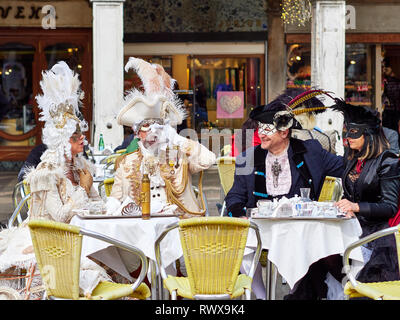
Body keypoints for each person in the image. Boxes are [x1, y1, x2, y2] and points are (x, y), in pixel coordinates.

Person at [0, 61, 110, 298]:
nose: (82, 139)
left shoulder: (80, 165)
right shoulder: (45, 172)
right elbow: (59, 217)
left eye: (81, 134)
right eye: (75, 136)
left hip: (79, 233)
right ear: (62, 140)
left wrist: (98, 203)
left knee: (112, 252)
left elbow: (97, 205)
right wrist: (84, 189)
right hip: (49, 239)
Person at [225, 90, 345, 300]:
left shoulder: (310, 151)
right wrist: (239, 214)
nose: (261, 133)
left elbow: (346, 168)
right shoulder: (248, 158)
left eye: (267, 129)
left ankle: (297, 294)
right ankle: (262, 297)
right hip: (261, 228)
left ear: (284, 132)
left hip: (298, 229)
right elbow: (234, 196)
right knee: (242, 242)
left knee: (310, 242)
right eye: (260, 128)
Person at [106, 57, 216, 219]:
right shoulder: (126, 163)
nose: (152, 133)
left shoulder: (178, 155)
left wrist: (176, 138)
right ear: (137, 133)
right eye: (146, 127)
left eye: (157, 127)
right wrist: (112, 205)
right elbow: (116, 197)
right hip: (140, 229)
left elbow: (208, 159)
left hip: (180, 227)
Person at [333, 100, 400, 284]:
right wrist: (342, 205)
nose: (348, 136)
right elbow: (350, 194)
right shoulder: (352, 159)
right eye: (347, 131)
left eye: (354, 132)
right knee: (319, 259)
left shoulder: (388, 161)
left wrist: (356, 207)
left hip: (377, 237)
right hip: (351, 229)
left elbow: (390, 207)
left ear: (369, 134)